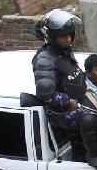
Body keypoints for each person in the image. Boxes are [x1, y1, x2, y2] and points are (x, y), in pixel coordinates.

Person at [31, 8, 89, 150]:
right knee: (89, 125)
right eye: (63, 36)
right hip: (63, 112)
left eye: (70, 34)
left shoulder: (64, 50)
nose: (68, 39)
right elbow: (46, 95)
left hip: (79, 101)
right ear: (52, 36)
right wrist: (68, 102)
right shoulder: (45, 60)